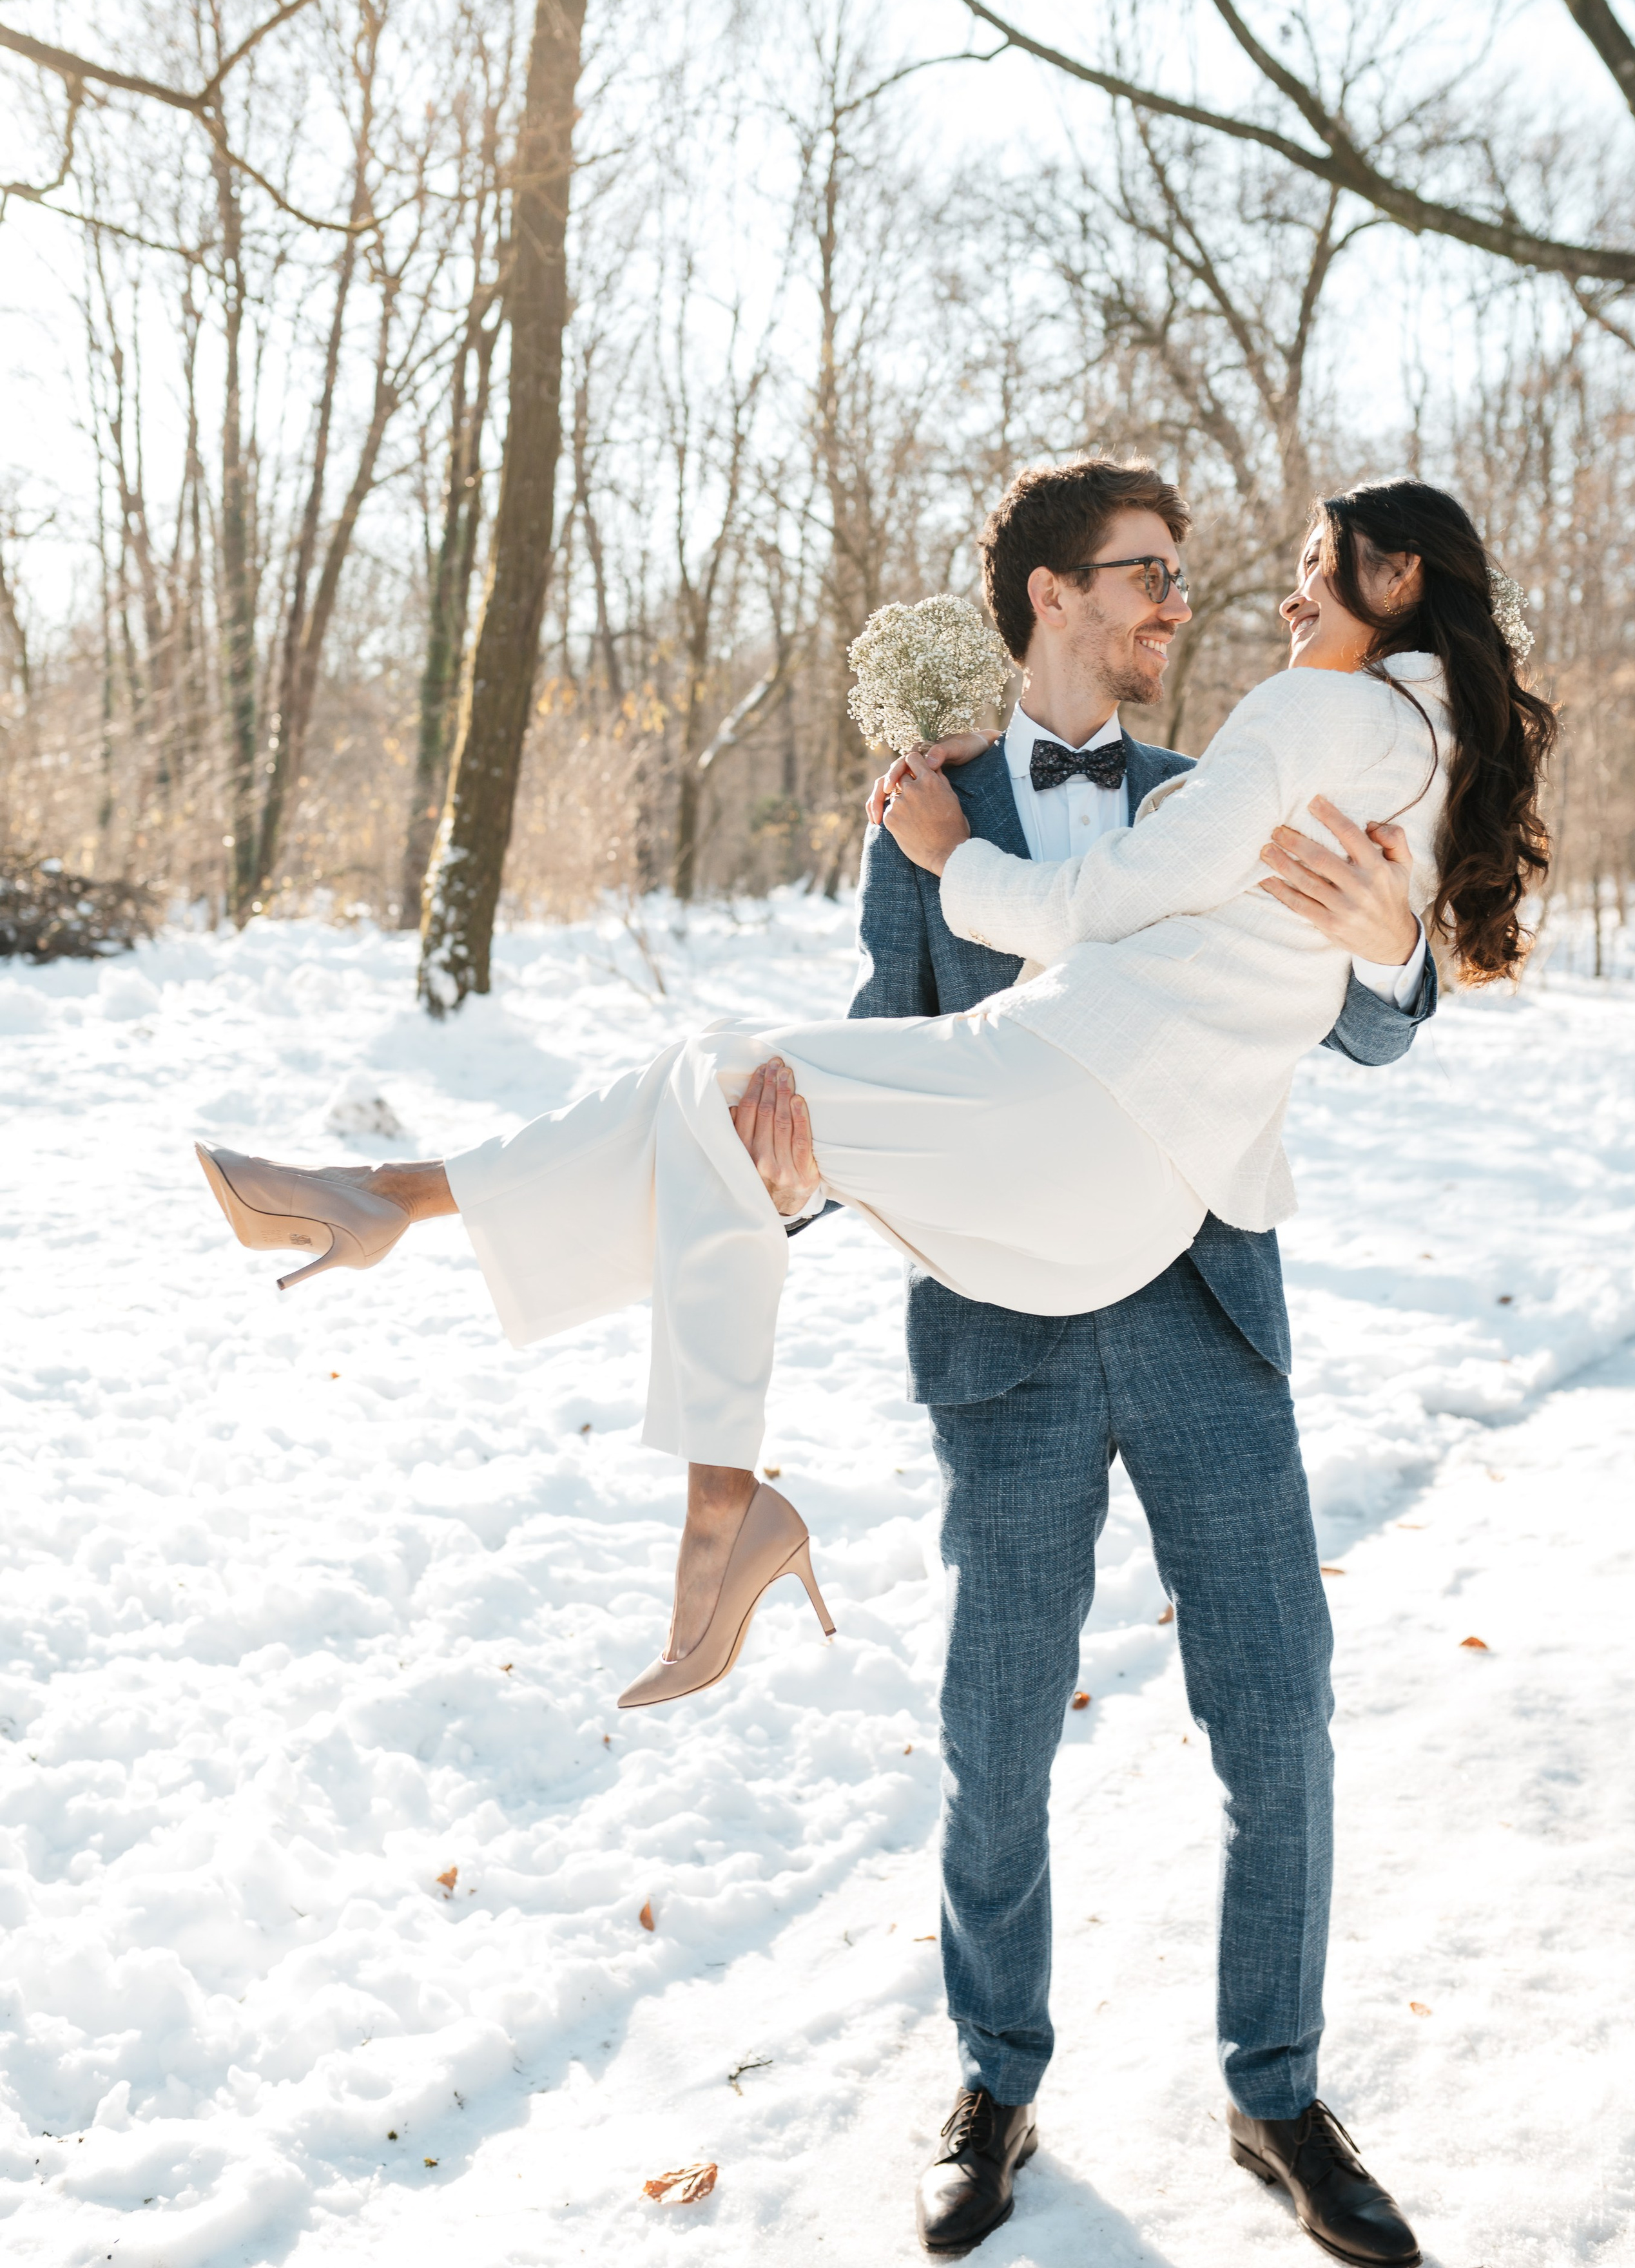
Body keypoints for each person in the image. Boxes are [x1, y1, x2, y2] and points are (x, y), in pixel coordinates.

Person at [195, 465, 1554, 2263]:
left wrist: (1395, 957)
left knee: (1276, 1712)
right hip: (1001, 1310)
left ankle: (1278, 2095)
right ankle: (994, 2081)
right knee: (995, 1734)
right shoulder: (924, 811)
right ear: (1052, 597)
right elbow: (887, 1049)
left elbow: (1367, 1010)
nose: (1181, 604)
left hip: (1200, 1300)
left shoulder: (1221, 771)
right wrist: (784, 1173)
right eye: (1149, 575)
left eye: (1186, 577)